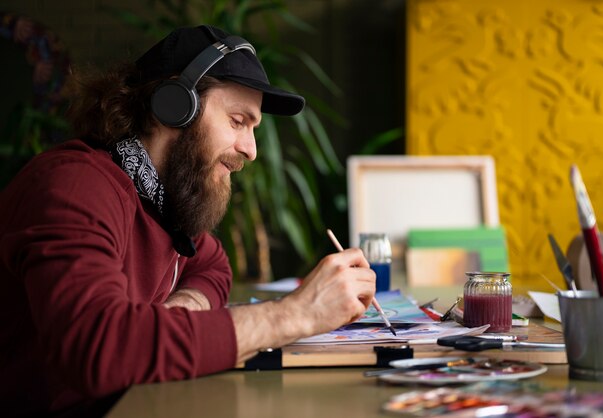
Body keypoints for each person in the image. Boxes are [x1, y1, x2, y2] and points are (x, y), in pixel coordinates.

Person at [0, 25, 375, 417]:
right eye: (236, 121)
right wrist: (296, 314)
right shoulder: (76, 187)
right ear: (175, 106)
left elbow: (213, 266)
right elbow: (99, 348)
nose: (251, 151)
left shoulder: (159, 200)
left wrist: (178, 312)